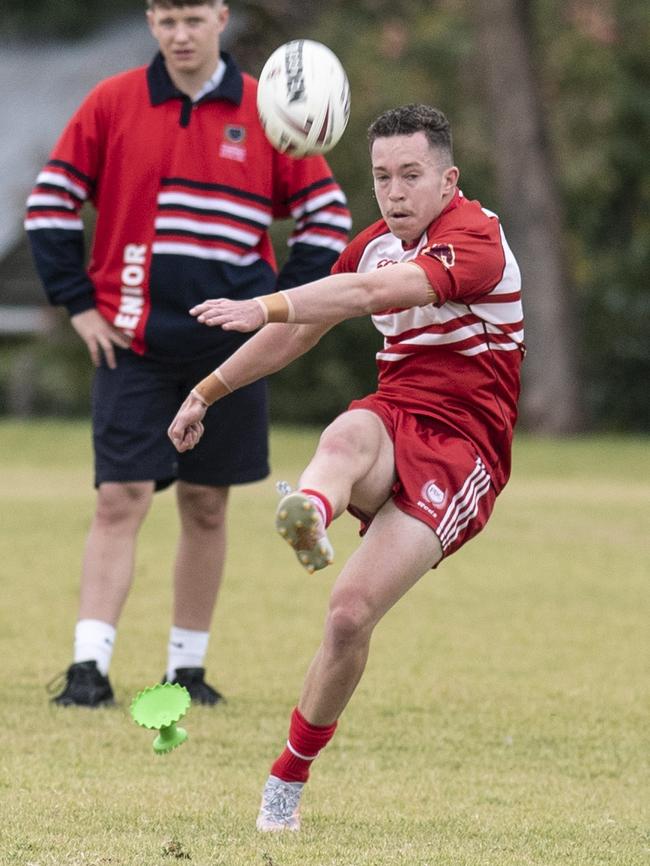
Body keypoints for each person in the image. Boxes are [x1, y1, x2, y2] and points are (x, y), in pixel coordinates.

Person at [168, 103, 524, 829]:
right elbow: (306, 327)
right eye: (382, 177)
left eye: (411, 176)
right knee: (347, 433)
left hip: (463, 455)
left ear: (448, 179)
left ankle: (287, 779)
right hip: (394, 416)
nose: (394, 193)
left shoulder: (476, 240)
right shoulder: (375, 243)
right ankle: (312, 513)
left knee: (348, 616)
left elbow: (365, 297)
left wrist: (265, 303)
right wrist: (205, 392)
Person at [25, 0, 351, 707]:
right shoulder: (113, 102)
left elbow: (328, 214)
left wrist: (280, 317)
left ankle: (187, 669)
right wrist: (80, 306)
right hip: (133, 344)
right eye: (167, 19)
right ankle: (88, 668)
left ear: (220, 18)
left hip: (229, 356)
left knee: (206, 505)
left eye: (193, 18)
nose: (180, 34)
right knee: (121, 497)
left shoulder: (270, 107)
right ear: (150, 21)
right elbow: (49, 205)